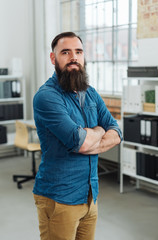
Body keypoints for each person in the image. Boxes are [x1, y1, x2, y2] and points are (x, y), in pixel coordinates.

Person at [33, 31, 122, 240]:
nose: (74, 57)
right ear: (53, 58)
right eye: (66, 52)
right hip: (59, 197)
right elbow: (79, 143)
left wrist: (91, 136)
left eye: (78, 52)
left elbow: (116, 132)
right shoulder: (46, 97)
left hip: (90, 195)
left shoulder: (90, 92)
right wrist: (100, 130)